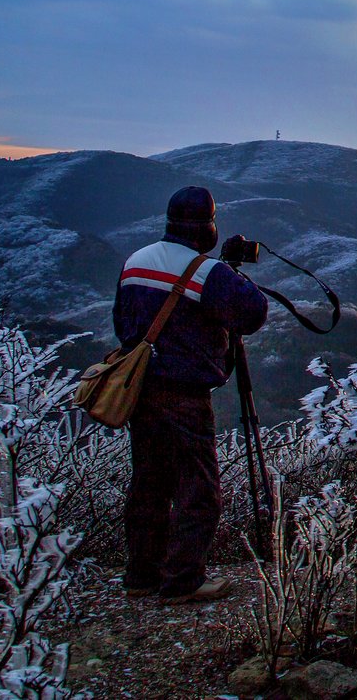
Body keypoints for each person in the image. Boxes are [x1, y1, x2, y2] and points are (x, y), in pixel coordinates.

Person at [114, 185, 268, 602]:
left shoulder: (135, 262)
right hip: (184, 393)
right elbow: (253, 313)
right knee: (197, 486)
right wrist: (229, 271)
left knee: (148, 480)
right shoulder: (206, 273)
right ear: (208, 227)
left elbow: (121, 323)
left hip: (141, 388)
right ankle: (183, 580)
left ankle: (142, 573)